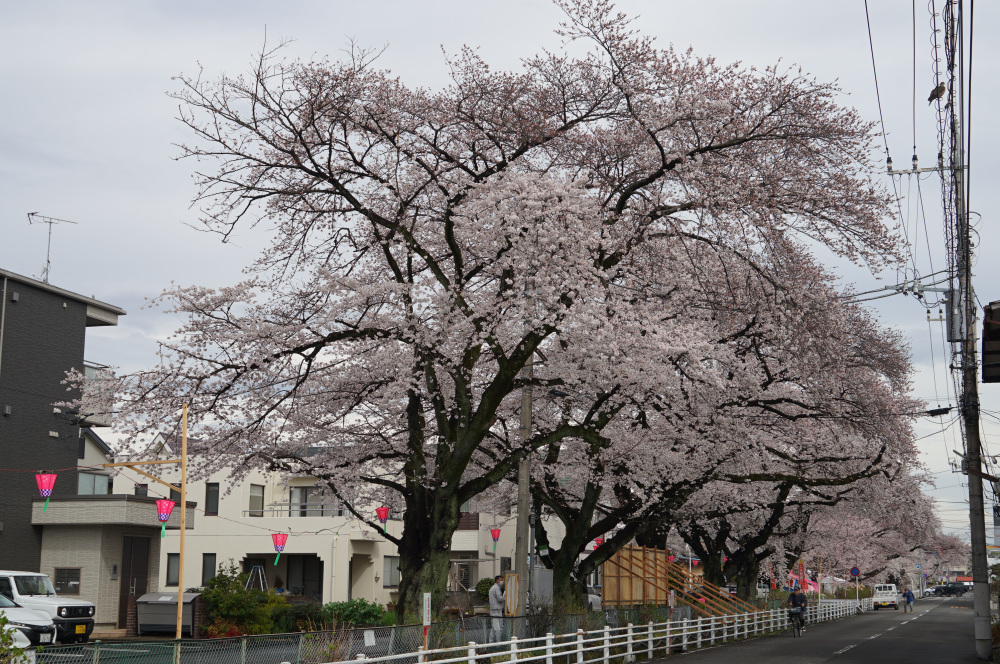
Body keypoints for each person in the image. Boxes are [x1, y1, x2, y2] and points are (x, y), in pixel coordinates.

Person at [488, 575, 505, 643]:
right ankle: (498, 643)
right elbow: (500, 598)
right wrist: (506, 597)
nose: (502, 581)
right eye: (501, 580)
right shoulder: (496, 588)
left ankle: (490, 642)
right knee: (498, 629)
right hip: (496, 610)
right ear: (497, 580)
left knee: (494, 628)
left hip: (494, 610)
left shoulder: (492, 588)